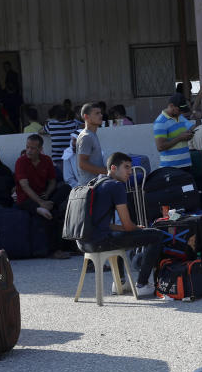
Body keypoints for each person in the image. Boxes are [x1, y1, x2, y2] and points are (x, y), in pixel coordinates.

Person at [79, 152, 165, 297]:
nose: (130, 172)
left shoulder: (97, 182)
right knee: (156, 235)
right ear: (113, 168)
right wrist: (138, 228)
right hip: (99, 241)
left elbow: (105, 224)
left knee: (119, 235)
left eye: (131, 168)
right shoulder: (116, 186)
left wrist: (127, 229)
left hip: (84, 242)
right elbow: (127, 224)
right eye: (126, 168)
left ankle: (120, 282)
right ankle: (142, 284)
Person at [153, 94, 195, 171]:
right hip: (171, 167)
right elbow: (160, 147)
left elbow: (190, 129)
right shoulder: (160, 122)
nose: (181, 113)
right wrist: (179, 138)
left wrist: (188, 135)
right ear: (171, 106)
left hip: (186, 164)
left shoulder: (180, 117)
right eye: (179, 110)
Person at [76, 103, 108, 185]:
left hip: (95, 184)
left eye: (101, 113)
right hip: (90, 186)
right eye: (97, 113)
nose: (101, 115)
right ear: (86, 117)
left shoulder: (91, 134)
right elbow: (82, 164)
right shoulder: (86, 137)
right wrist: (106, 171)